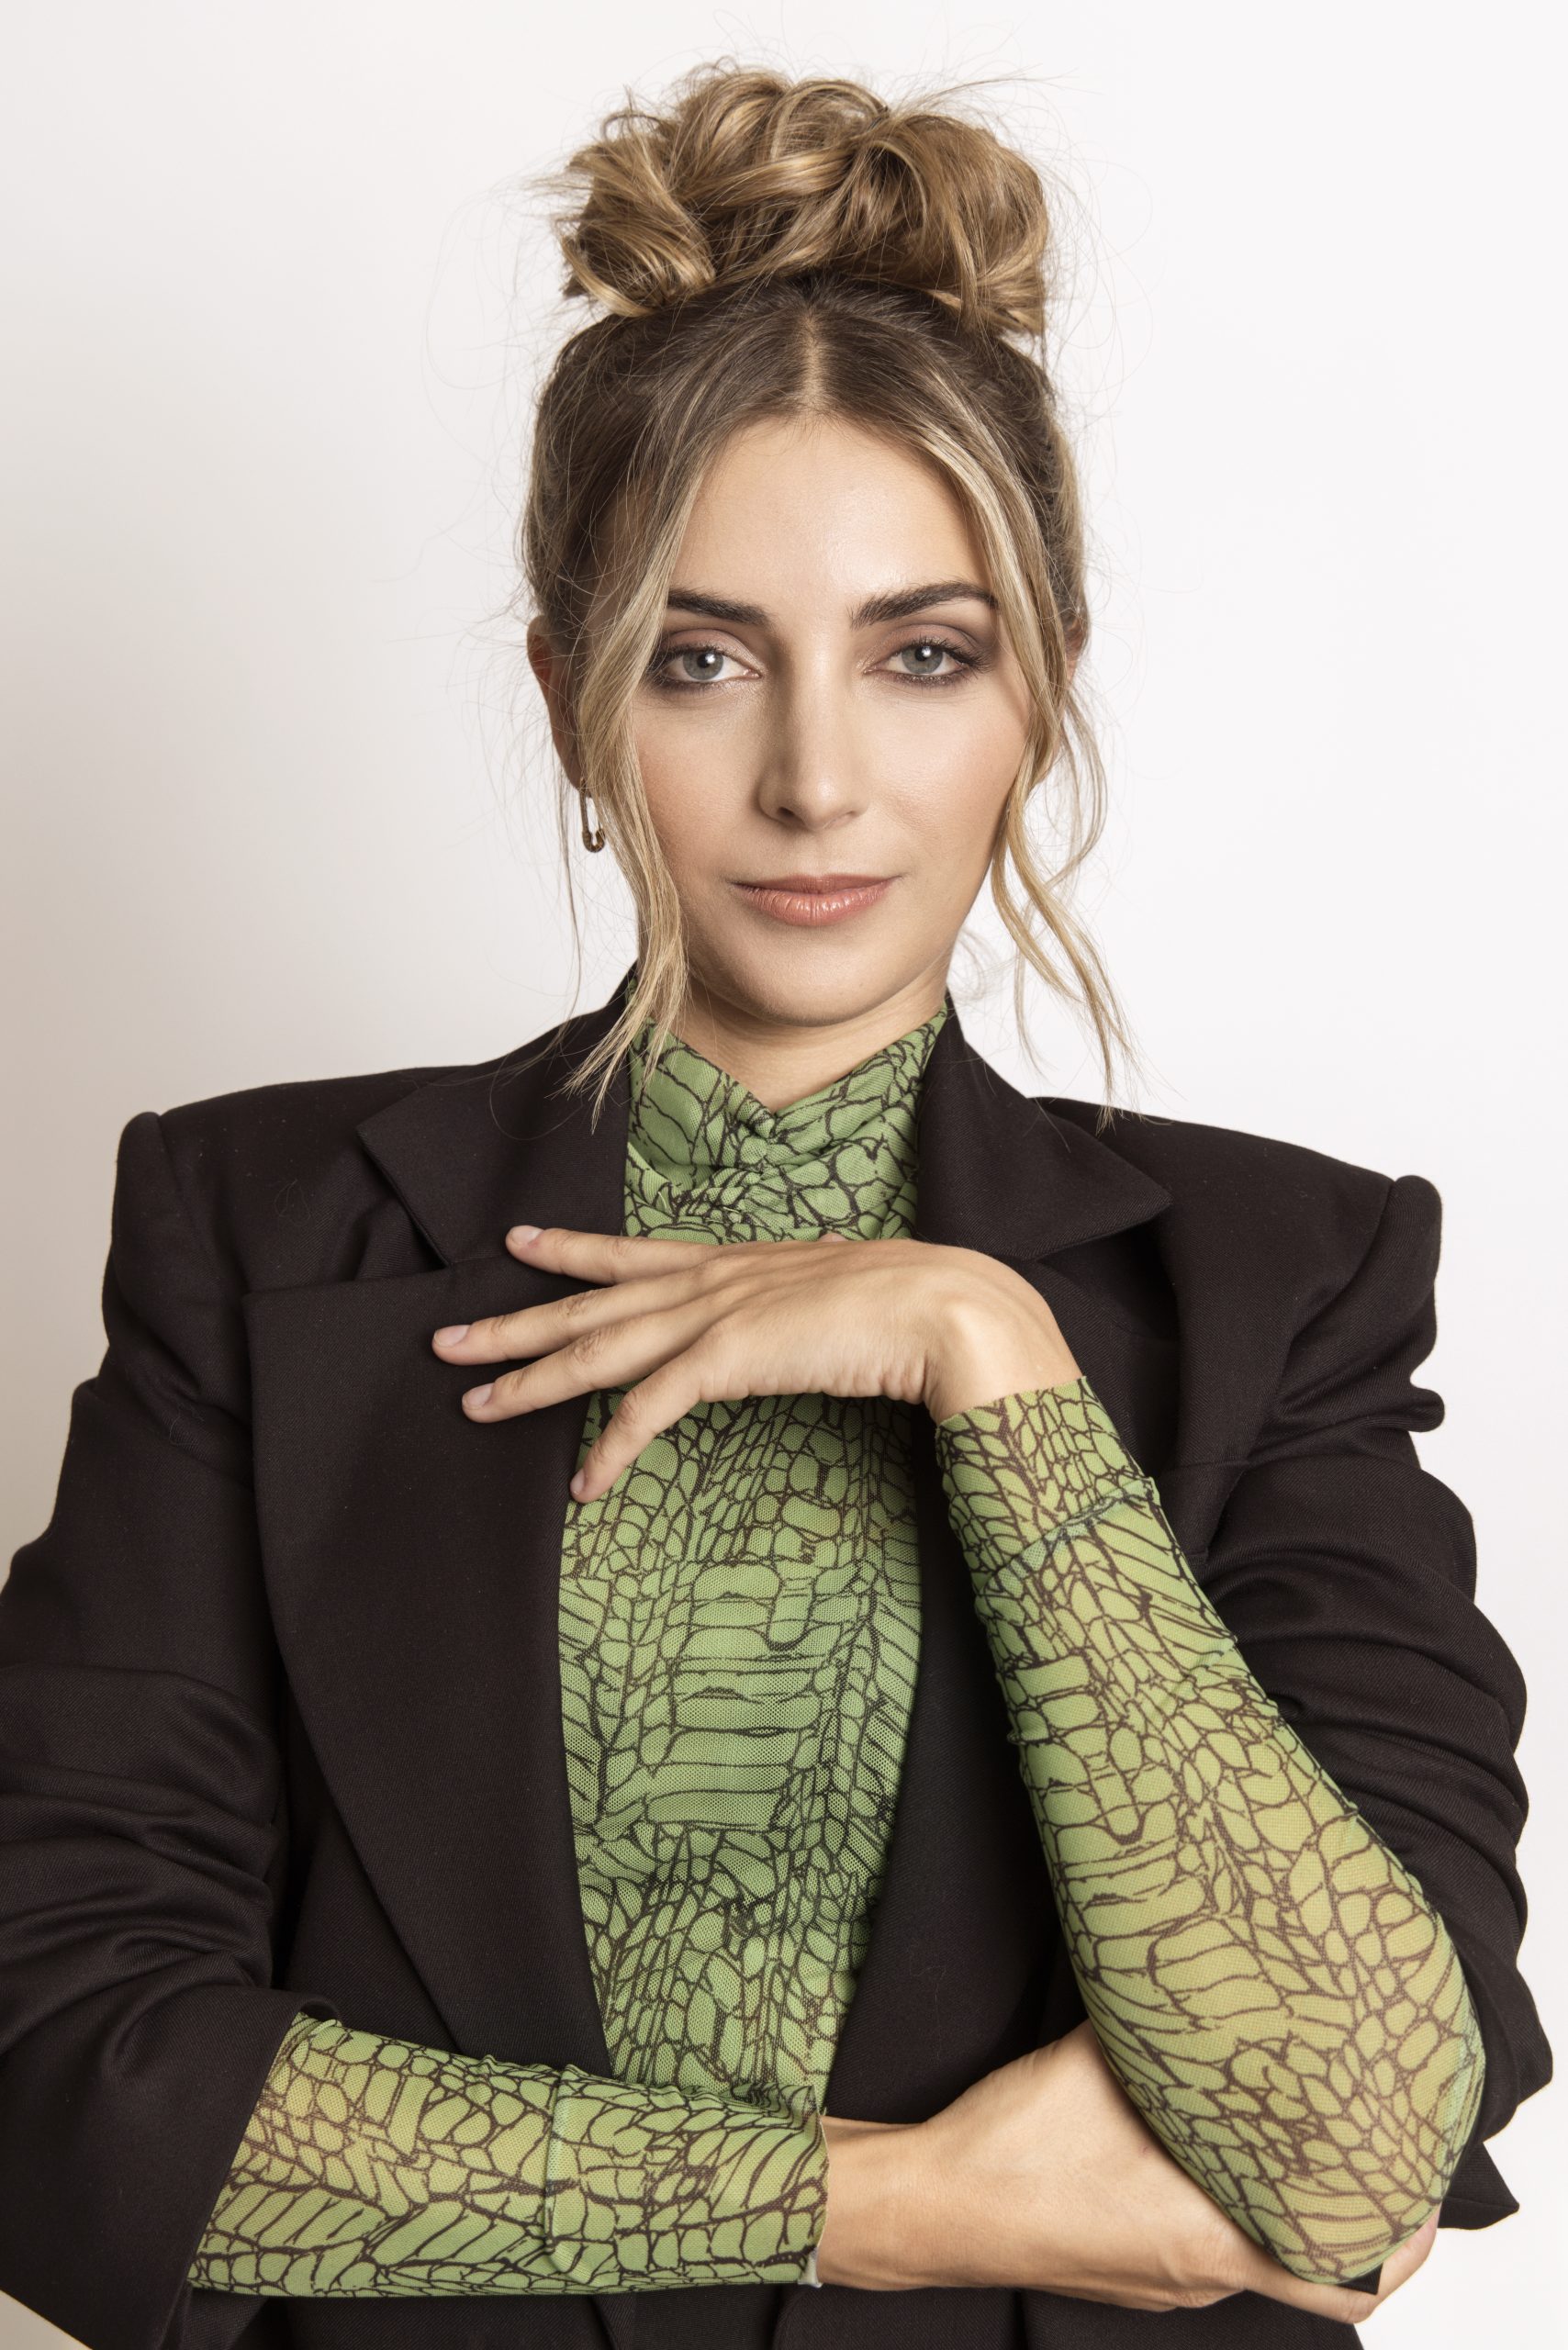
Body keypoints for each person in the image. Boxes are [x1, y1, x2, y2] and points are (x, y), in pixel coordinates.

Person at [0, 59, 1549, 2350]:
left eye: (920, 654)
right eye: (701, 658)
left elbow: (1340, 2146)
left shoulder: (1283, 1281)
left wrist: (981, 1349)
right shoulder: (258, 1225)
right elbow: (67, 2090)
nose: (815, 777)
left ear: (1037, 688)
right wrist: (891, 2201)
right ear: (570, 697)